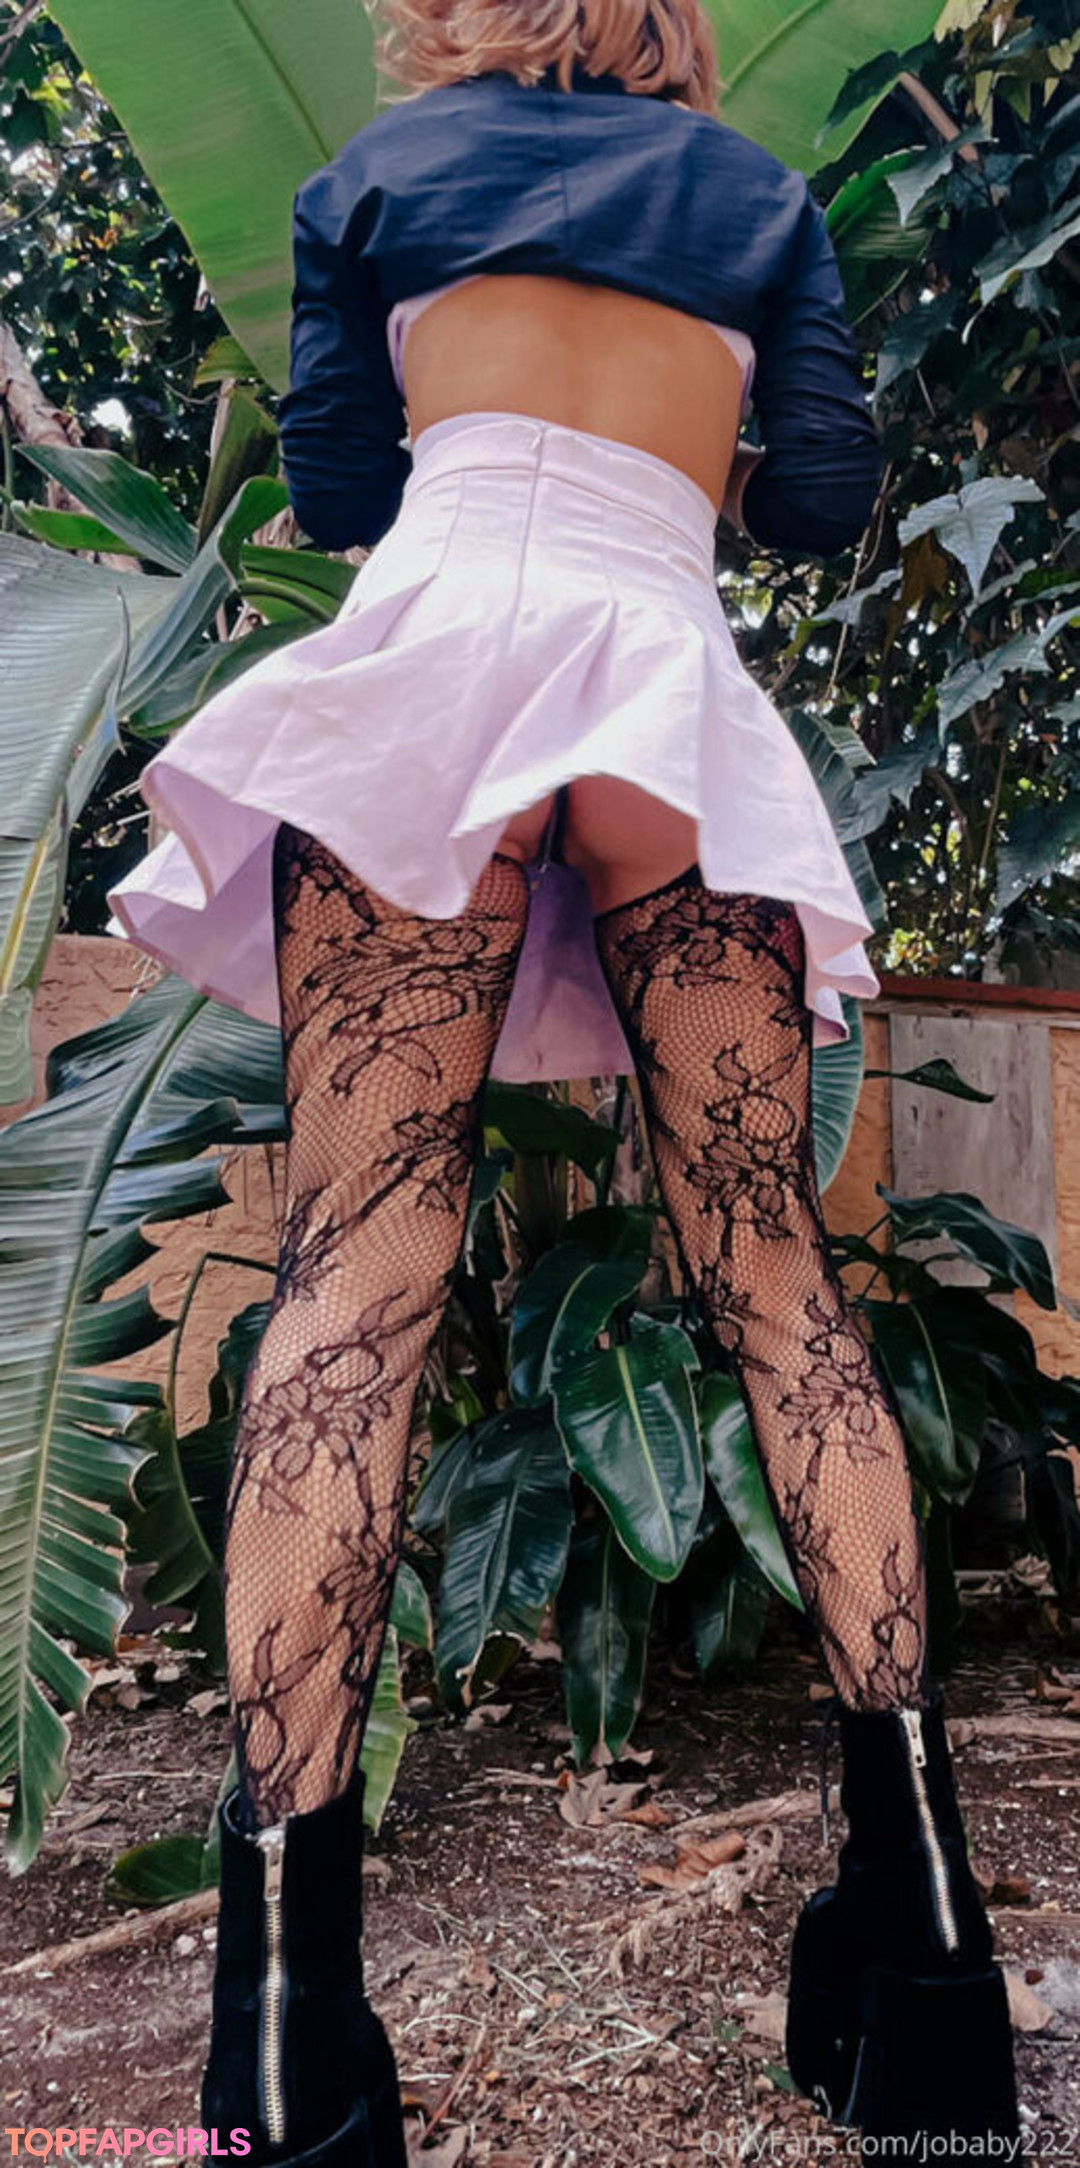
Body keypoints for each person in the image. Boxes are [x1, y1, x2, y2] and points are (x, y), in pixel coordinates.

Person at [105, 1, 1019, 2158]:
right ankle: (932, 1971)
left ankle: (281, 2054)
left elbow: (345, 485)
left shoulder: (375, 183)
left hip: (441, 660)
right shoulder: (757, 197)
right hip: (661, 683)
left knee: (350, 1291)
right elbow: (823, 494)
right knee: (782, 1286)